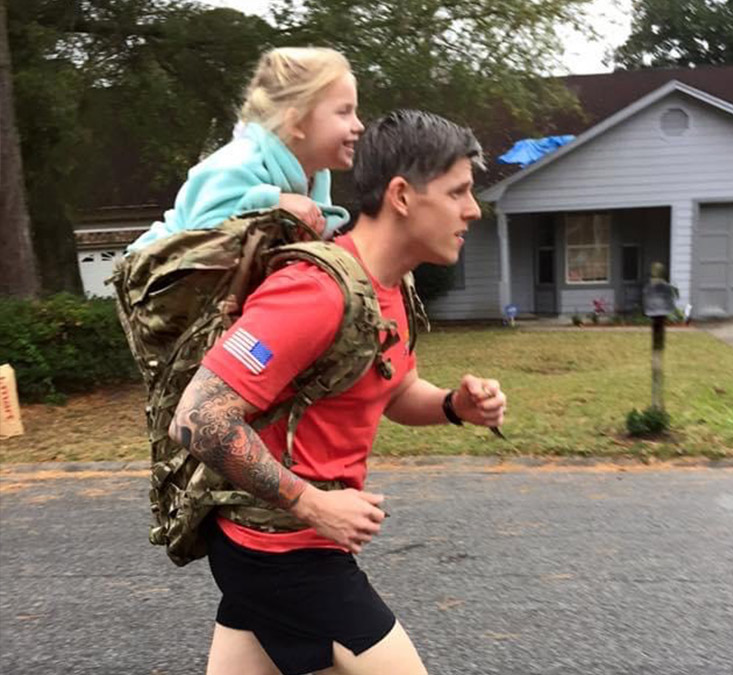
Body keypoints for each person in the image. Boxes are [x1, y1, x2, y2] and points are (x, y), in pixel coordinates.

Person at [169, 109, 507, 675]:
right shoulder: (314, 291)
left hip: (285, 548)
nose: (472, 209)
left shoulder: (388, 288)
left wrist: (454, 405)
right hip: (282, 550)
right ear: (402, 195)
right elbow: (200, 417)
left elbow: (394, 390)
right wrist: (311, 503)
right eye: (458, 192)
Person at [127, 47, 364, 253]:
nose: (359, 125)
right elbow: (202, 240)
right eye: (344, 112)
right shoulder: (236, 164)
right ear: (297, 123)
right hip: (159, 285)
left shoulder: (317, 175)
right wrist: (270, 203)